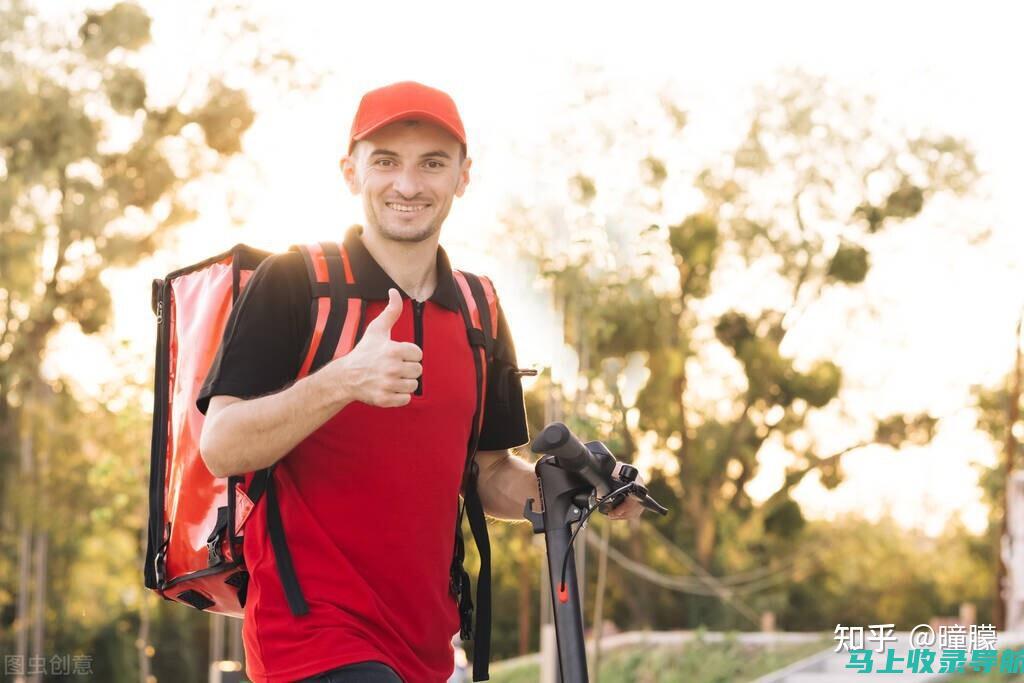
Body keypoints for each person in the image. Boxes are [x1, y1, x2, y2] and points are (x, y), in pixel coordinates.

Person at [196, 81, 645, 683]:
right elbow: (221, 444)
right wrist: (344, 380)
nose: (407, 185)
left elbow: (489, 475)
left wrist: (567, 490)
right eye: (385, 161)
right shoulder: (295, 282)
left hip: (430, 648)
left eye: (432, 164)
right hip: (309, 638)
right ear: (350, 171)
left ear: (462, 176)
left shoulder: (479, 308)